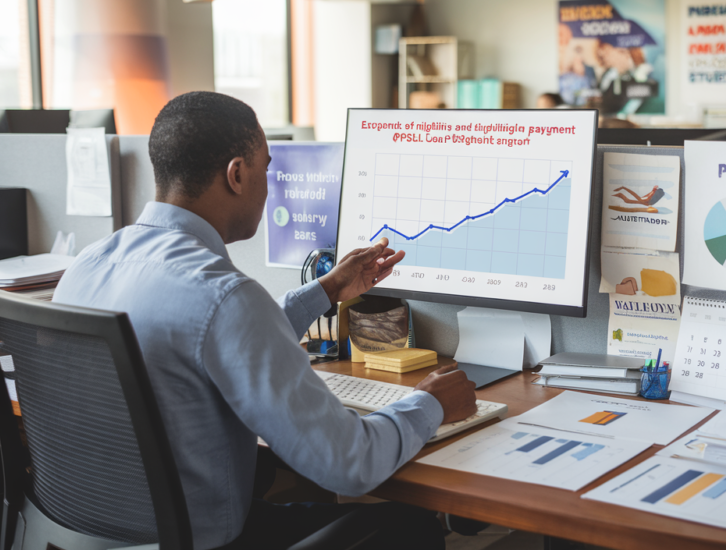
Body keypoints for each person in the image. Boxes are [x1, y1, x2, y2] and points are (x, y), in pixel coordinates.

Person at [53, 91, 478, 550]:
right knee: (407, 527)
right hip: (199, 541)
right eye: (267, 169)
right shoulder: (223, 294)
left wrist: (327, 290)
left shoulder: (87, 265)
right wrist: (431, 404)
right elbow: (350, 464)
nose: (269, 185)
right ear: (237, 175)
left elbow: (215, 335)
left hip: (91, 535)